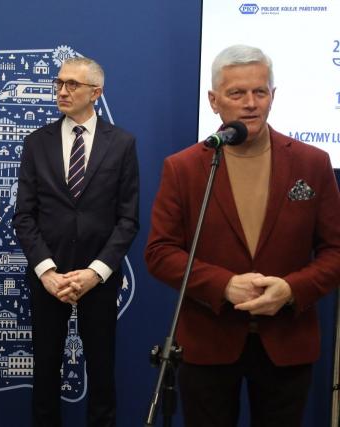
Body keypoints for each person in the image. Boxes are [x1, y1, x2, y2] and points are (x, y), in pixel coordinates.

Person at [145, 44, 340, 426]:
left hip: (287, 342)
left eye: (259, 92)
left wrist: (292, 289)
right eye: (237, 93)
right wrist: (225, 285)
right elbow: (160, 252)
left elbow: (336, 250)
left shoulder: (312, 163)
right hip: (208, 341)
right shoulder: (184, 167)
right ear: (214, 100)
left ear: (273, 95)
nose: (250, 103)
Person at [13, 57, 140, 427]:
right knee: (45, 373)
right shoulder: (37, 143)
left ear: (96, 92)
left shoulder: (122, 144)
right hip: (48, 279)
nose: (62, 91)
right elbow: (24, 216)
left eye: (73, 84)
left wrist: (95, 273)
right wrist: (47, 271)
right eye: (59, 83)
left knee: (101, 373)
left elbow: (128, 219)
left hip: (98, 280)